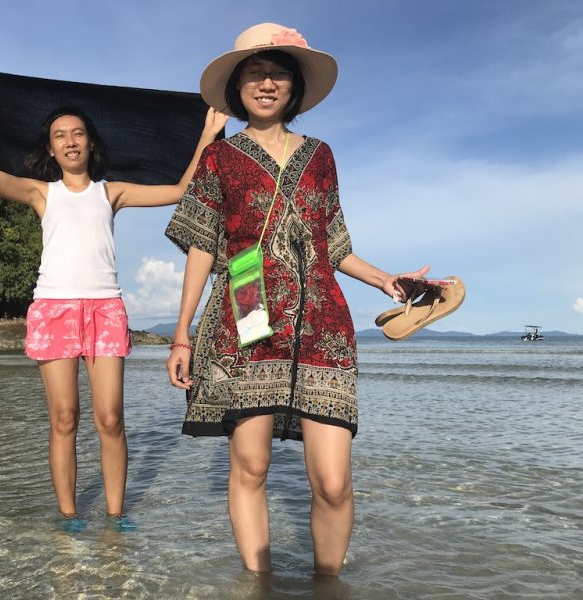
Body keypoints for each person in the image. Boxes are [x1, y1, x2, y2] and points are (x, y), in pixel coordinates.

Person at [164, 23, 428, 574]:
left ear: (294, 87)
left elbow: (334, 241)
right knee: (252, 465)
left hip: (323, 320)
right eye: (255, 73)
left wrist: (385, 280)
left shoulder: (321, 155)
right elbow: (201, 247)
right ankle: (257, 584)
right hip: (247, 303)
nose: (266, 82)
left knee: (333, 482)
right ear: (237, 87)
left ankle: (328, 585)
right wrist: (182, 331)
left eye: (277, 73)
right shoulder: (220, 158)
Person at [0, 57, 227, 532]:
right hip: (54, 309)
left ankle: (115, 515)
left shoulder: (112, 193)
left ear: (90, 143)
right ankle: (68, 517)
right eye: (60, 135)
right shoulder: (42, 193)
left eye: (78, 133)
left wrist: (206, 138)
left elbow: (179, 189)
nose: (70, 141)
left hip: (106, 309)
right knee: (65, 418)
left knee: (110, 419)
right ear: (51, 147)